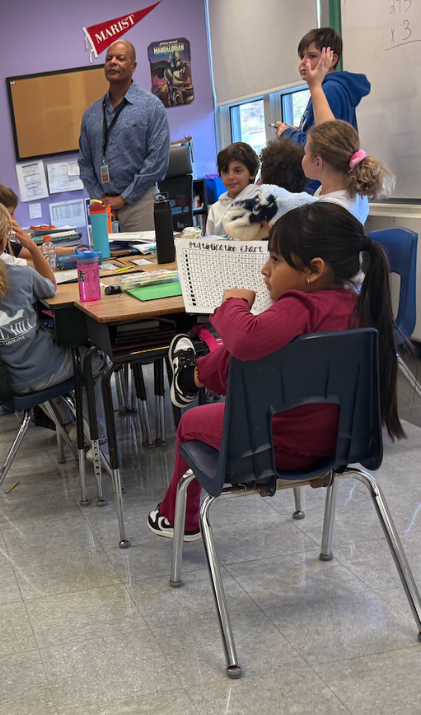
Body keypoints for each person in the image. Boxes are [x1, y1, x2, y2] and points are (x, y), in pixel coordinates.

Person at [148, 202, 403, 540]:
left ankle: (179, 518)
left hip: (275, 447)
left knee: (192, 419)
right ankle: (193, 374)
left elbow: (243, 338)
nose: (265, 269)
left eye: (276, 259)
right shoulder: (360, 304)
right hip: (342, 445)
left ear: (314, 270)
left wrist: (233, 303)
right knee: (253, 351)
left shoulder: (301, 306)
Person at [0, 202, 107, 444]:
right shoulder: (21, 275)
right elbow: (51, 287)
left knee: (41, 358)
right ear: (3, 242)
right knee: (93, 360)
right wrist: (32, 246)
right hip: (36, 373)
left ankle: (67, 425)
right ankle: (97, 438)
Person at [78, 40, 170, 232]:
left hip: (140, 203)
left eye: (120, 58)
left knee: (146, 253)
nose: (113, 62)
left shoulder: (151, 107)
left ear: (133, 66)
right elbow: (85, 163)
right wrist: (100, 200)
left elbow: (157, 161)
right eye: (108, 58)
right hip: (103, 207)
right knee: (103, 252)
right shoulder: (91, 114)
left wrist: (124, 198)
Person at [276, 28, 370, 145]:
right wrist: (298, 132)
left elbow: (322, 145)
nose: (303, 62)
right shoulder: (328, 87)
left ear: (332, 60)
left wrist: (288, 134)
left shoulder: (329, 89)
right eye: (302, 56)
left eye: (312, 56)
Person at [303, 120, 394, 224]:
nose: (303, 157)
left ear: (318, 163)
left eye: (305, 153)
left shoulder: (329, 212)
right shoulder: (354, 185)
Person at [205, 143, 259, 236]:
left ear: (253, 173)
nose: (230, 177)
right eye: (225, 171)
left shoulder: (261, 203)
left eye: (237, 171)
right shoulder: (215, 209)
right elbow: (209, 242)